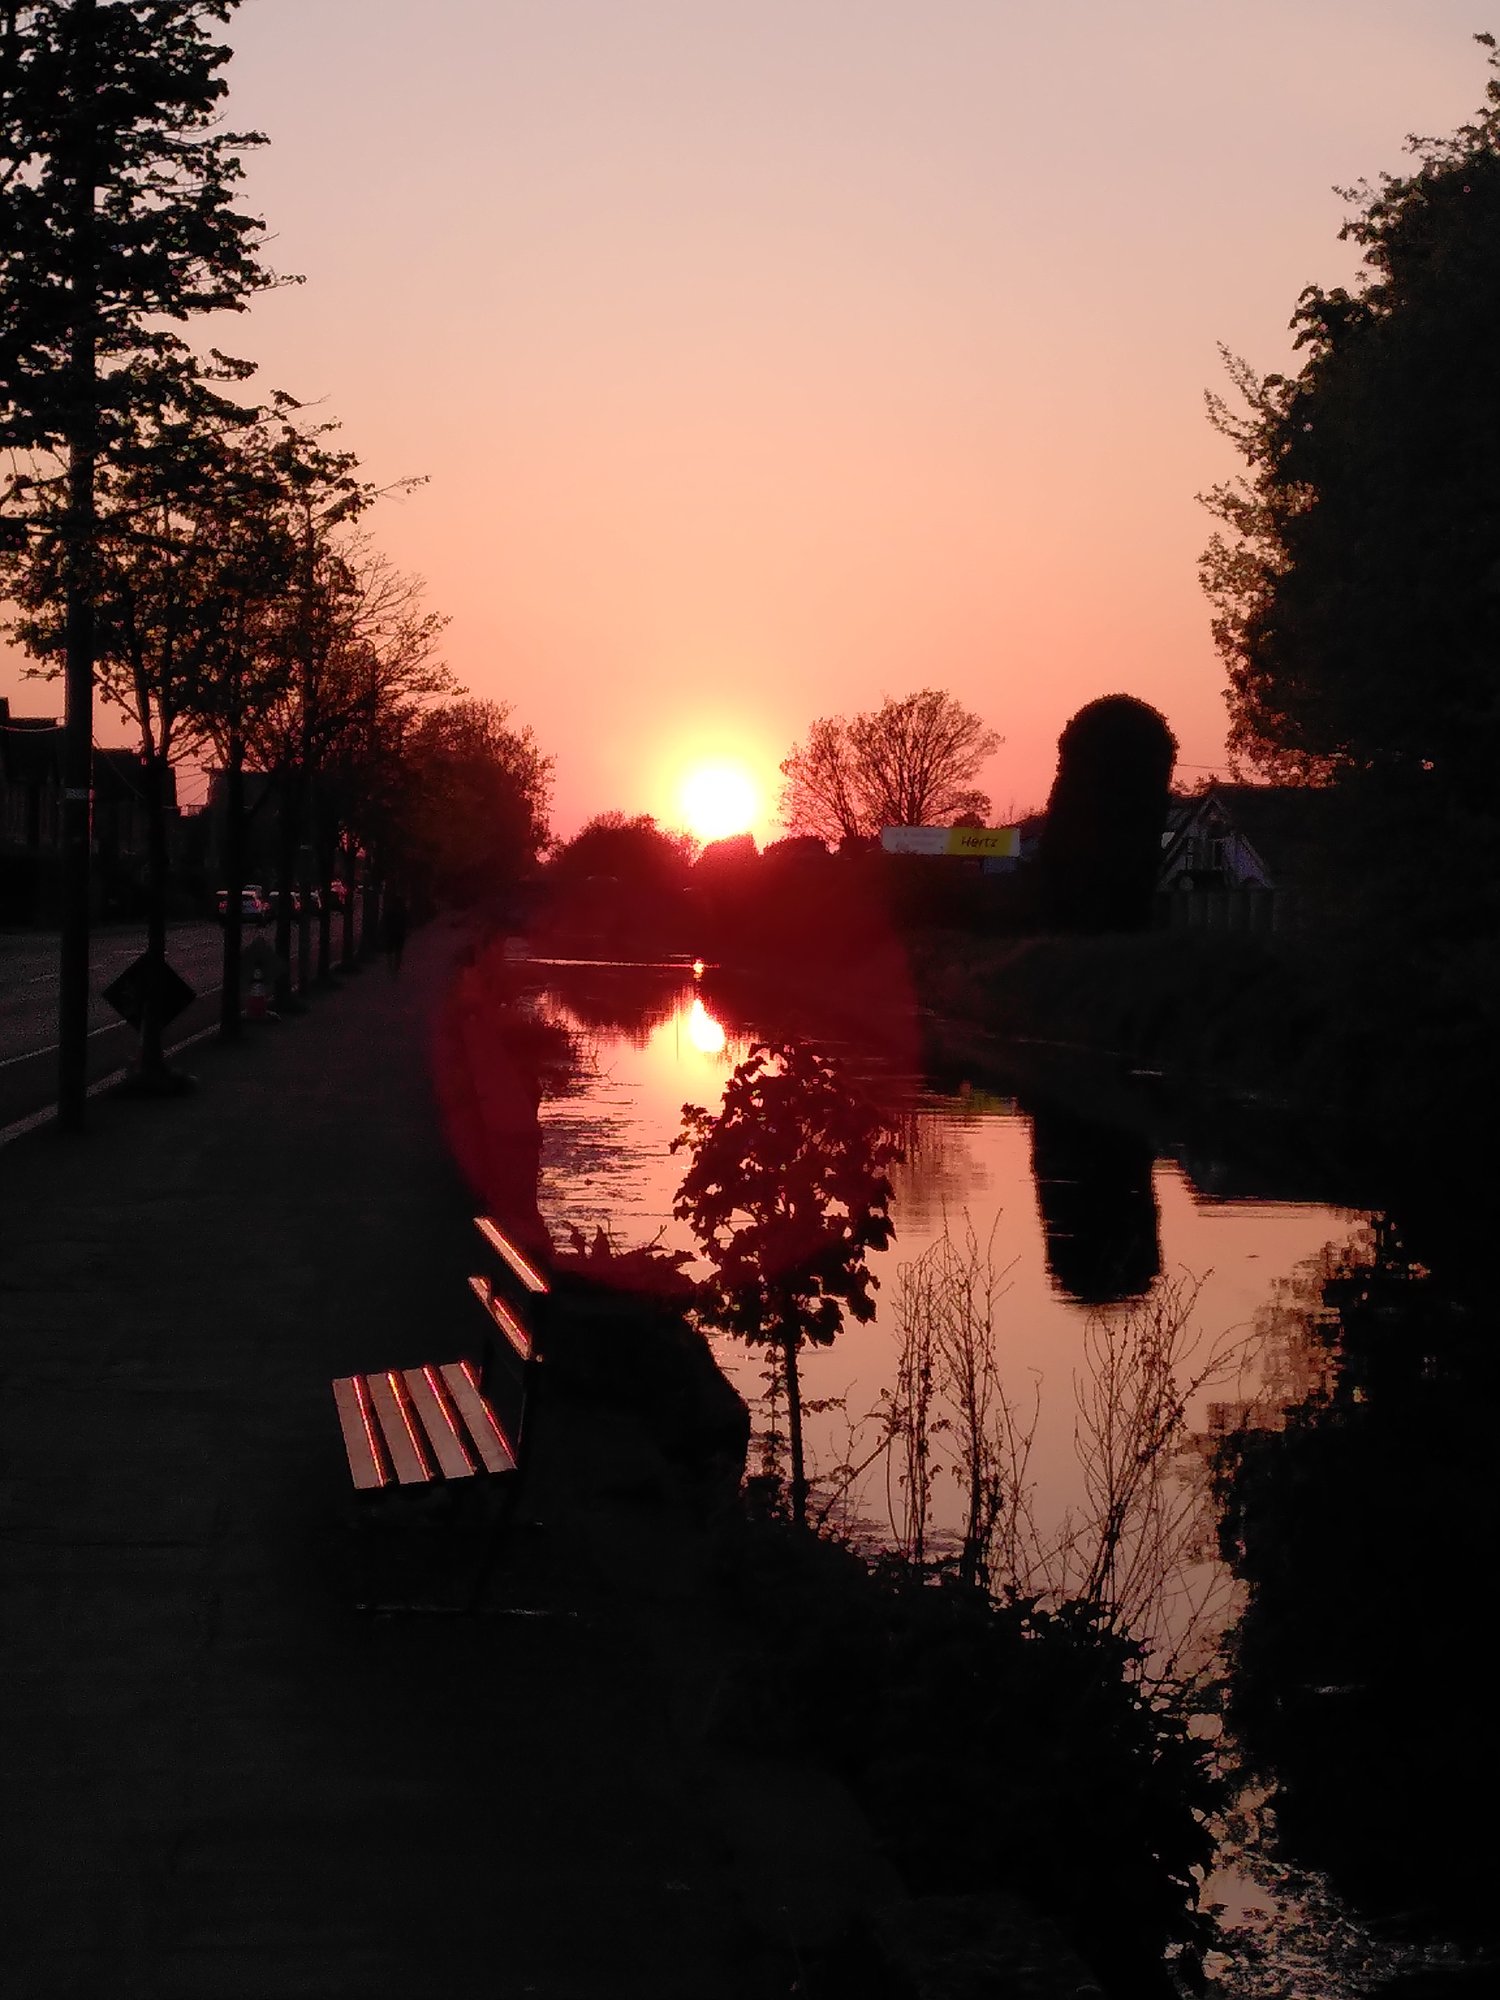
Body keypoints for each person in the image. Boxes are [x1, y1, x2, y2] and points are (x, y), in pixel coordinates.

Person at [381, 889, 409, 973]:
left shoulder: (390, 910)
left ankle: (390, 967)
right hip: (400, 933)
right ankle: (396, 968)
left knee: (389, 952)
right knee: (398, 952)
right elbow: (407, 921)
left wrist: (384, 931)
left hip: (390, 933)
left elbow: (385, 921)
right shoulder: (403, 910)